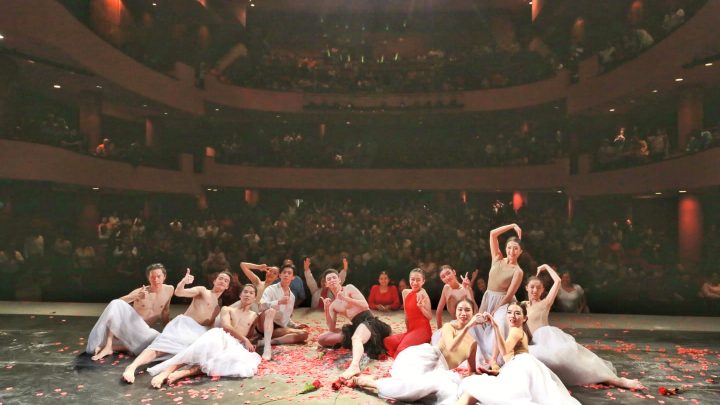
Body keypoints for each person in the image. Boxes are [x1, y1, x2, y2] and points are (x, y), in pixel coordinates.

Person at [526, 265, 644, 389]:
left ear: (543, 289)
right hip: (535, 343)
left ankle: (616, 380)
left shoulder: (545, 303)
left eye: (538, 287)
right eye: (532, 287)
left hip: (549, 338)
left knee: (577, 363)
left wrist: (546, 267)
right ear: (526, 288)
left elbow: (558, 281)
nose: (535, 290)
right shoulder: (522, 306)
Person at [353, 298, 478, 405]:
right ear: (455, 312)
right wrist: (468, 326)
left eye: (467, 310)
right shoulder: (449, 327)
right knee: (413, 386)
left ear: (474, 313)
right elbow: (451, 346)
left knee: (449, 396)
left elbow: (471, 370)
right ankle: (373, 383)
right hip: (429, 359)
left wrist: (486, 372)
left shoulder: (473, 343)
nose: (463, 313)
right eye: (460, 309)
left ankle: (384, 382)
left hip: (442, 371)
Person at [456, 303, 581, 405]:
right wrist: (495, 371)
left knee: (473, 389)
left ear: (525, 318)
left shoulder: (515, 331)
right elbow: (508, 358)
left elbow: (505, 351)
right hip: (522, 368)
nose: (512, 316)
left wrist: (495, 326)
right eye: (509, 312)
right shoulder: (518, 331)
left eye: (517, 313)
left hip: (522, 368)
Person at [122, 269, 231, 383]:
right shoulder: (202, 291)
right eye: (220, 278)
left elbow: (211, 327)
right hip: (184, 326)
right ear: (214, 281)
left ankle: (166, 374)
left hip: (196, 334)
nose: (222, 281)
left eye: (226, 280)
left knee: (191, 355)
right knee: (159, 348)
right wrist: (184, 282)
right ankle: (132, 367)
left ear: (227, 286)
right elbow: (179, 292)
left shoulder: (218, 308)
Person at [147, 284, 262, 388]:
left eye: (251, 293)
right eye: (245, 292)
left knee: (220, 361)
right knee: (198, 350)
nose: (248, 294)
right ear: (240, 295)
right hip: (223, 338)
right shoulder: (227, 309)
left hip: (237, 345)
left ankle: (183, 373)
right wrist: (245, 339)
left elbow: (251, 334)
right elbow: (226, 326)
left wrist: (249, 342)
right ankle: (165, 373)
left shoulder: (254, 316)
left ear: (255, 297)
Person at [86, 263, 174, 361]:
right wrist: (137, 296)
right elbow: (117, 303)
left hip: (144, 332)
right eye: (152, 277)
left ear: (164, 276)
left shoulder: (169, 289)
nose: (156, 280)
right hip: (130, 328)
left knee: (160, 342)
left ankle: (116, 347)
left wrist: (168, 333)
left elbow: (165, 312)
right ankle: (108, 345)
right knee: (116, 303)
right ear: (148, 278)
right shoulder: (141, 291)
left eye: (158, 276)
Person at [317, 269, 392, 379]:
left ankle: (354, 366)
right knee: (322, 338)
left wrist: (346, 299)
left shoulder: (349, 288)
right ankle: (358, 344)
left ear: (339, 279)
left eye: (334, 277)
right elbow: (331, 328)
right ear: (326, 284)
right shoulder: (334, 305)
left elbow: (365, 305)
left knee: (356, 338)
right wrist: (326, 309)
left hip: (368, 320)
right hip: (355, 325)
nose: (332, 280)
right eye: (329, 279)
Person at [469, 223, 524, 369]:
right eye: (509, 247)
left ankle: (496, 358)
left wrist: (494, 311)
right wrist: (512, 225)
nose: (512, 251)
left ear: (520, 251)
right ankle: (475, 353)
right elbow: (493, 233)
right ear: (505, 248)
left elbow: (509, 295)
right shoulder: (497, 258)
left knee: (497, 322)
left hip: (504, 302)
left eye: (515, 248)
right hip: (489, 298)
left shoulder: (518, 271)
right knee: (477, 323)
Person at [256, 264, 309, 360]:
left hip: (277, 327)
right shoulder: (271, 289)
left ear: (293, 277)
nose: (286, 275)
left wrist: (295, 325)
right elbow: (261, 307)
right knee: (271, 311)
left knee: (304, 334)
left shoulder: (292, 297)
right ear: (280, 275)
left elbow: (285, 317)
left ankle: (269, 341)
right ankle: (267, 348)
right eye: (284, 272)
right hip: (263, 322)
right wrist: (278, 302)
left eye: (289, 273)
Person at [383, 269, 432, 358]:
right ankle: (412, 343)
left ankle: (419, 345)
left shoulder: (423, 293)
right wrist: (408, 333)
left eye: (418, 280)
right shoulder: (405, 292)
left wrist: (421, 307)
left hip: (423, 331)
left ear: (423, 281)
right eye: (412, 279)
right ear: (409, 280)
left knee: (401, 350)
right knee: (387, 341)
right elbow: (407, 316)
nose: (415, 282)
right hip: (411, 330)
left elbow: (429, 317)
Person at [435, 265, 475, 330]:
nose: (447, 277)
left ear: (454, 272)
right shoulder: (446, 288)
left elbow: (475, 310)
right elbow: (438, 312)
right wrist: (439, 330)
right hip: (455, 324)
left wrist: (467, 290)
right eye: (443, 277)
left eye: (448, 273)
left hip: (468, 325)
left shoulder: (466, 288)